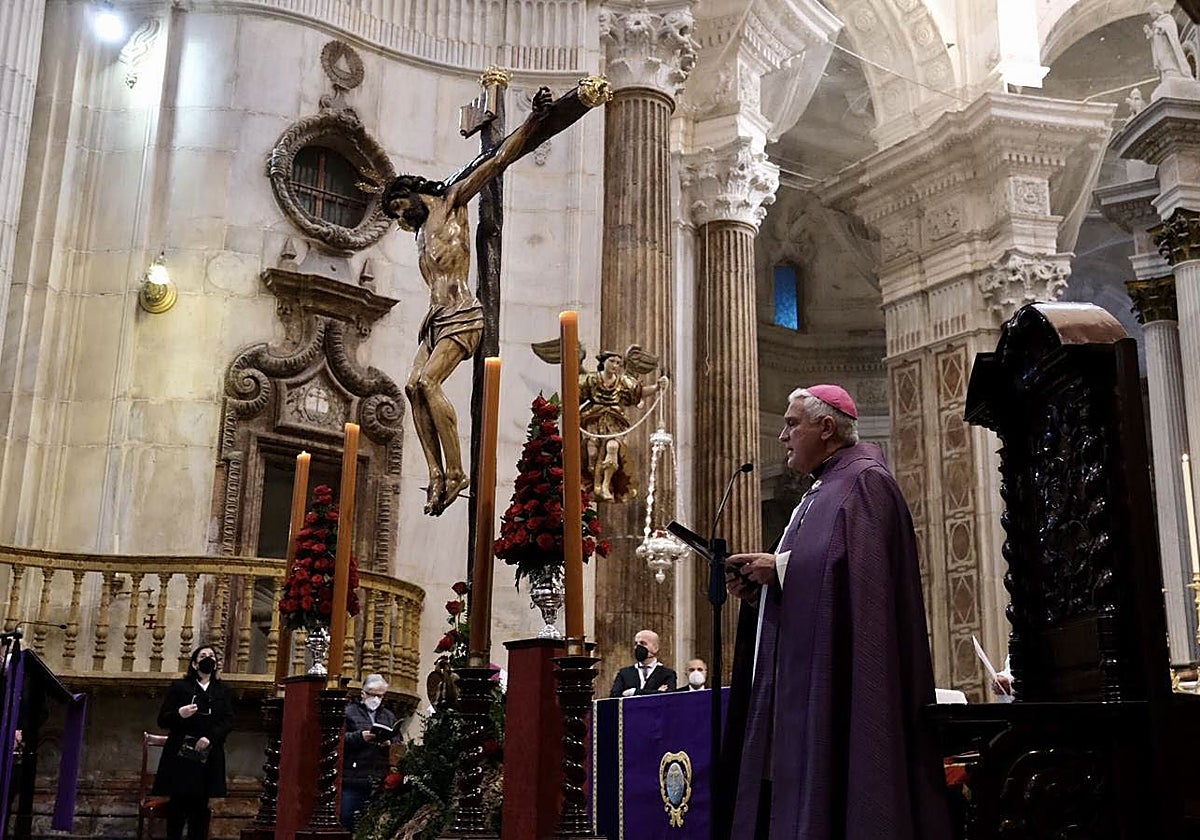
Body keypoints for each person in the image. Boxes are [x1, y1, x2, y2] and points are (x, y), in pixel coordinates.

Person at [724, 385, 951, 840]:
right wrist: (763, 588)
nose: (783, 436)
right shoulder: (821, 490)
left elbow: (863, 583)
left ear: (826, 428)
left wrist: (782, 568)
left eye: (792, 424)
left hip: (846, 677)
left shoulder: (865, 481)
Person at [382, 88, 556, 517]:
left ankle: (456, 471)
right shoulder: (421, 231)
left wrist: (534, 121)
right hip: (434, 317)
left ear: (408, 193)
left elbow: (496, 161)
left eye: (397, 208)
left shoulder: (452, 201)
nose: (399, 219)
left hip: (462, 312)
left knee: (427, 383)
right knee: (410, 387)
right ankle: (437, 474)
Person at [153, 645, 233, 840]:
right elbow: (163, 719)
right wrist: (180, 713)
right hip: (182, 752)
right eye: (203, 656)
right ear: (195, 663)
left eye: (211, 656)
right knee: (178, 803)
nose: (208, 659)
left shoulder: (222, 690)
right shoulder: (181, 687)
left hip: (208, 753)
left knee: (201, 805)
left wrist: (210, 737)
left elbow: (228, 721)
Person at [578, 350, 669, 502]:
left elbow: (638, 393)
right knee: (592, 453)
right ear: (603, 362)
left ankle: (606, 485)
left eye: (618, 363)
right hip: (593, 420)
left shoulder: (623, 382)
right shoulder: (591, 379)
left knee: (613, 447)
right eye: (612, 361)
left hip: (615, 421)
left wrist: (656, 387)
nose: (615, 365)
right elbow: (576, 394)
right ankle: (595, 482)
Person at [341, 674, 399, 831]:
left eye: (380, 696)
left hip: (379, 778)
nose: (376, 699)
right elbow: (340, 740)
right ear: (363, 693)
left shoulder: (388, 716)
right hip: (353, 777)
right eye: (372, 694)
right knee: (347, 819)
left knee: (373, 826)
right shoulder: (349, 712)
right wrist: (361, 737)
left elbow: (398, 741)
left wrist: (390, 743)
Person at [609, 630, 676, 697]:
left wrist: (633, 692)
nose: (638, 647)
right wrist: (656, 692)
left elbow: (667, 697)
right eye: (636, 644)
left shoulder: (667, 674)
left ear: (655, 648)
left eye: (643, 643)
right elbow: (614, 696)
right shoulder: (624, 673)